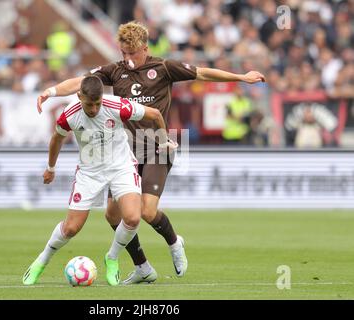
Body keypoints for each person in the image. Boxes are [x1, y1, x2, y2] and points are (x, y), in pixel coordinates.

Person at [36, 21, 265, 284]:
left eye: (132, 54)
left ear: (144, 48)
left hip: (158, 145)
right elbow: (82, 82)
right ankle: (142, 267)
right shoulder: (116, 71)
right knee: (112, 214)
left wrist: (241, 77)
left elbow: (203, 73)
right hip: (124, 153)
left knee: (146, 211)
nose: (127, 60)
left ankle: (174, 242)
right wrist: (51, 91)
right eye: (123, 53)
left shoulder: (164, 67)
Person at [23, 75, 177, 286]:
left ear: (102, 98)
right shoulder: (69, 116)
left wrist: (164, 139)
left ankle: (112, 257)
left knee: (132, 218)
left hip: (121, 167)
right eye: (89, 104)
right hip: (89, 173)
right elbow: (56, 139)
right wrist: (50, 168)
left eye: (97, 104)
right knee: (71, 229)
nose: (94, 109)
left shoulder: (116, 105)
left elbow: (155, 114)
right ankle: (42, 260)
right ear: (79, 96)